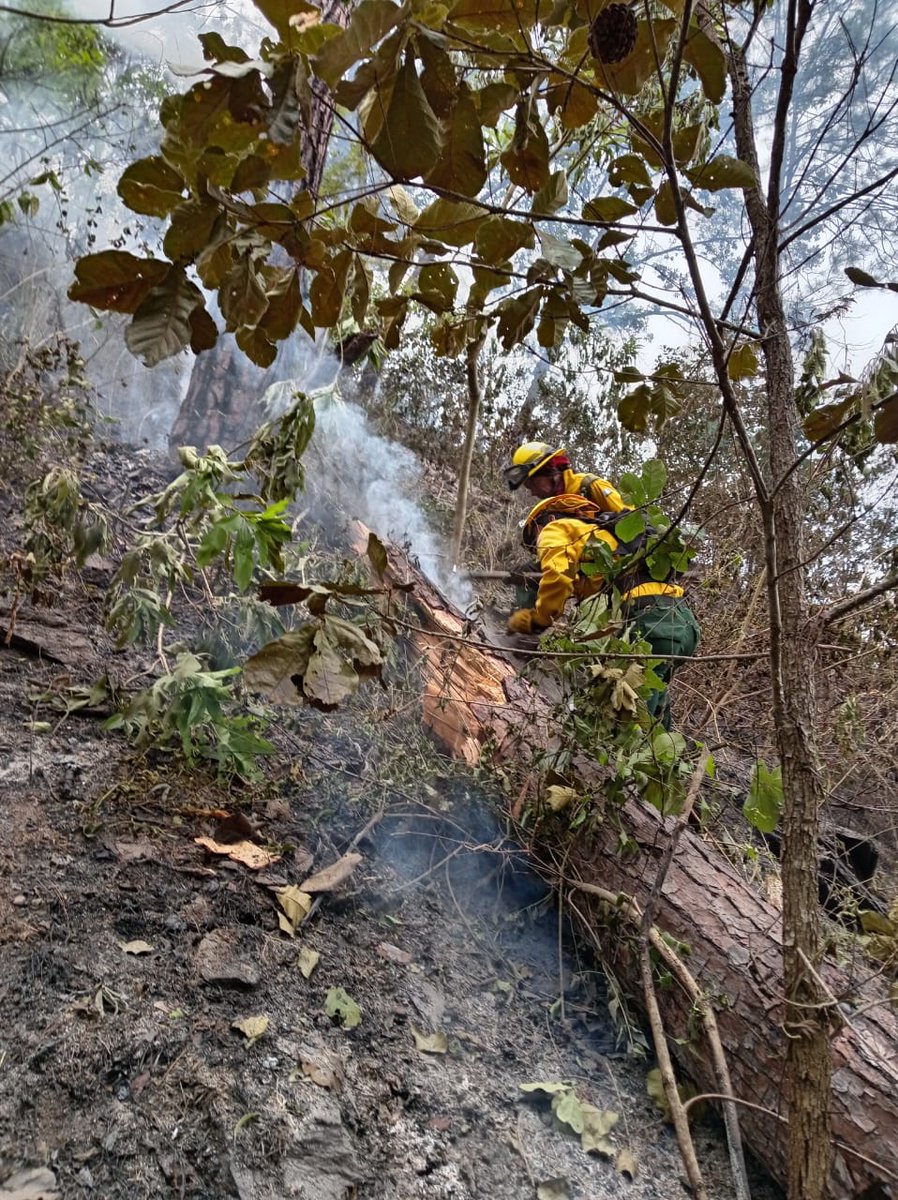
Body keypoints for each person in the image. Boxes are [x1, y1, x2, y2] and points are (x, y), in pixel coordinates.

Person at [506, 492, 700, 729]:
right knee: (654, 698)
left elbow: (557, 576)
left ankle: (631, 754)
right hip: (683, 622)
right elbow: (586, 580)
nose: (536, 547)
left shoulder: (556, 529)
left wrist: (536, 623)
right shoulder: (604, 535)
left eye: (533, 540)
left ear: (540, 522)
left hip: (650, 622)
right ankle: (666, 759)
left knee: (631, 718)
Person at [503, 441, 631, 512]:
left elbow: (632, 520)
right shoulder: (552, 509)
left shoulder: (590, 486)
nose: (533, 493)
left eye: (532, 485)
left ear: (548, 471)